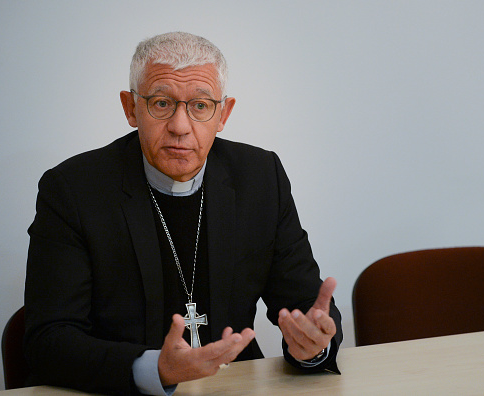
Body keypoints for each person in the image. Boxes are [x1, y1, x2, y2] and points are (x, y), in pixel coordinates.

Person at [24, 32, 342, 395]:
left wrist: (313, 346)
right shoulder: (73, 190)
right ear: (131, 108)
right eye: (161, 103)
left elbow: (305, 307)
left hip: (232, 387)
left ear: (223, 114)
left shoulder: (260, 177)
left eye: (201, 106)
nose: (179, 126)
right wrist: (154, 368)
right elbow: (48, 340)